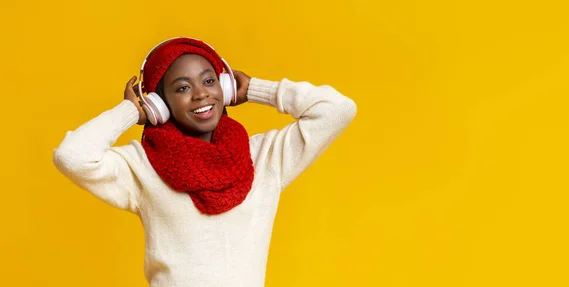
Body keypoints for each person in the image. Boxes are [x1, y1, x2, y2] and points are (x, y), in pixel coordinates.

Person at [53, 37, 356, 287]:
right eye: (182, 88)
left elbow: (338, 110)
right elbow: (73, 156)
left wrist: (255, 89)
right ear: (159, 103)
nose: (200, 94)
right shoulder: (142, 166)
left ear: (223, 88)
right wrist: (131, 111)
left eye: (209, 81)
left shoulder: (264, 157)